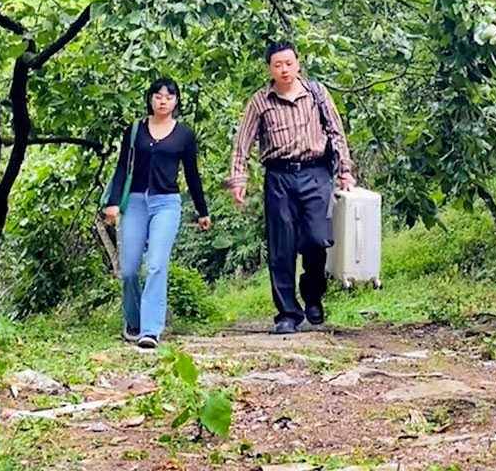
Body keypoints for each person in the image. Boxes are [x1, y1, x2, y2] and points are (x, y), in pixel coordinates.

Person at [227, 41, 355, 334]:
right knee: (281, 246)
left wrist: (345, 171)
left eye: (289, 63)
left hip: (315, 173)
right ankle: (287, 313)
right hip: (279, 177)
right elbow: (242, 143)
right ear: (269, 69)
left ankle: (313, 293)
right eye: (277, 65)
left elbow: (336, 132)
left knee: (317, 238)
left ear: (298, 64)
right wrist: (239, 178)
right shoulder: (260, 101)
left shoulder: (317, 93)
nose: (284, 69)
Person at [102, 78, 211, 349]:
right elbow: (121, 168)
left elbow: (192, 174)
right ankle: (134, 320)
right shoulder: (135, 130)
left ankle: (150, 330)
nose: (163, 101)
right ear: (150, 99)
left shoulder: (184, 135)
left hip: (166, 204)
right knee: (129, 269)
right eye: (158, 96)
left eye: (169, 97)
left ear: (176, 101)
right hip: (135, 202)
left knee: (156, 264)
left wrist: (202, 211)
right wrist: (113, 203)